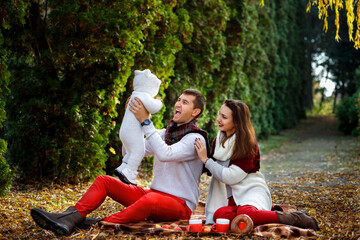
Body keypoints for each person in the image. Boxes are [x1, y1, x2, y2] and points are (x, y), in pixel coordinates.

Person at [31, 89, 210, 236]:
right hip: (154, 195)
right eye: (179, 99)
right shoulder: (165, 133)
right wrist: (131, 120)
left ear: (196, 112)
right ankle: (70, 218)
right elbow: (131, 150)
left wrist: (146, 121)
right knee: (104, 181)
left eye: (185, 102)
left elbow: (165, 154)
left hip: (180, 205)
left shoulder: (195, 139)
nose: (178, 104)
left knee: (149, 199)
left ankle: (98, 224)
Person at [194, 99, 319, 232]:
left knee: (246, 213)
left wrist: (206, 160)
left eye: (224, 117)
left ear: (237, 122)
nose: (218, 119)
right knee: (219, 215)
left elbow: (230, 176)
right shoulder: (218, 140)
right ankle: (268, 213)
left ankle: (295, 218)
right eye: (219, 114)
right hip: (233, 199)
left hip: (252, 191)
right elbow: (213, 170)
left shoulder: (247, 144)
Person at [115, 69, 163, 185]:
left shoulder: (134, 95)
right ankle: (129, 173)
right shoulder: (144, 95)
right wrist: (159, 102)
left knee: (131, 151)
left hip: (124, 132)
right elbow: (153, 108)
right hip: (132, 132)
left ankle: (122, 168)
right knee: (138, 151)